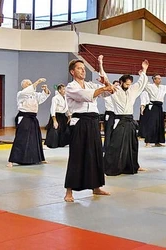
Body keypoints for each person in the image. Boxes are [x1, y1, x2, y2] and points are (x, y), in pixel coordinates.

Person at [64, 57, 114, 202]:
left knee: (95, 154)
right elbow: (84, 96)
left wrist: (106, 82)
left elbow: (108, 92)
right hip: (80, 122)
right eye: (80, 68)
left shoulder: (90, 84)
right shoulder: (71, 87)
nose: (83, 70)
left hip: (93, 122)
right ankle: (69, 191)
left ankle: (96, 187)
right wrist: (103, 88)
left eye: (84, 68)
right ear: (72, 72)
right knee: (77, 155)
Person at [104, 60, 150, 176]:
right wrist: (100, 65)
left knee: (132, 145)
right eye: (126, 84)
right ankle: (110, 166)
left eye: (130, 84)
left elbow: (141, 83)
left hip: (130, 120)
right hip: (119, 120)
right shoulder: (115, 90)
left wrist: (144, 70)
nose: (128, 86)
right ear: (121, 82)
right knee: (115, 145)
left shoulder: (132, 90)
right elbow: (106, 82)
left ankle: (132, 165)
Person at [6, 78, 50, 168]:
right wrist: (37, 82)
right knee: (21, 138)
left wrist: (45, 90)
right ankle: (12, 160)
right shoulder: (21, 94)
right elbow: (27, 92)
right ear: (24, 86)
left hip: (33, 117)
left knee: (36, 138)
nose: (31, 85)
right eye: (28, 84)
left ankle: (39, 158)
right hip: (24, 117)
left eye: (31, 83)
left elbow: (42, 98)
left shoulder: (34, 95)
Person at [143, 74, 166, 147]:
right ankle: (147, 142)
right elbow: (144, 81)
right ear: (154, 79)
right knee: (151, 124)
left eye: (160, 78)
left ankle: (157, 142)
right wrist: (143, 73)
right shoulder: (150, 86)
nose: (160, 80)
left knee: (159, 124)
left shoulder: (162, 87)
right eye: (158, 78)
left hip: (160, 106)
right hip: (153, 106)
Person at [45, 83, 71, 149]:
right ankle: (51, 144)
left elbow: (67, 108)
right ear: (59, 90)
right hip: (56, 115)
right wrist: (54, 120)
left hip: (62, 115)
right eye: (63, 89)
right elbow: (52, 109)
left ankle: (62, 143)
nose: (65, 91)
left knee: (65, 129)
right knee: (55, 128)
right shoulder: (55, 98)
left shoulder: (65, 97)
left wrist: (69, 116)